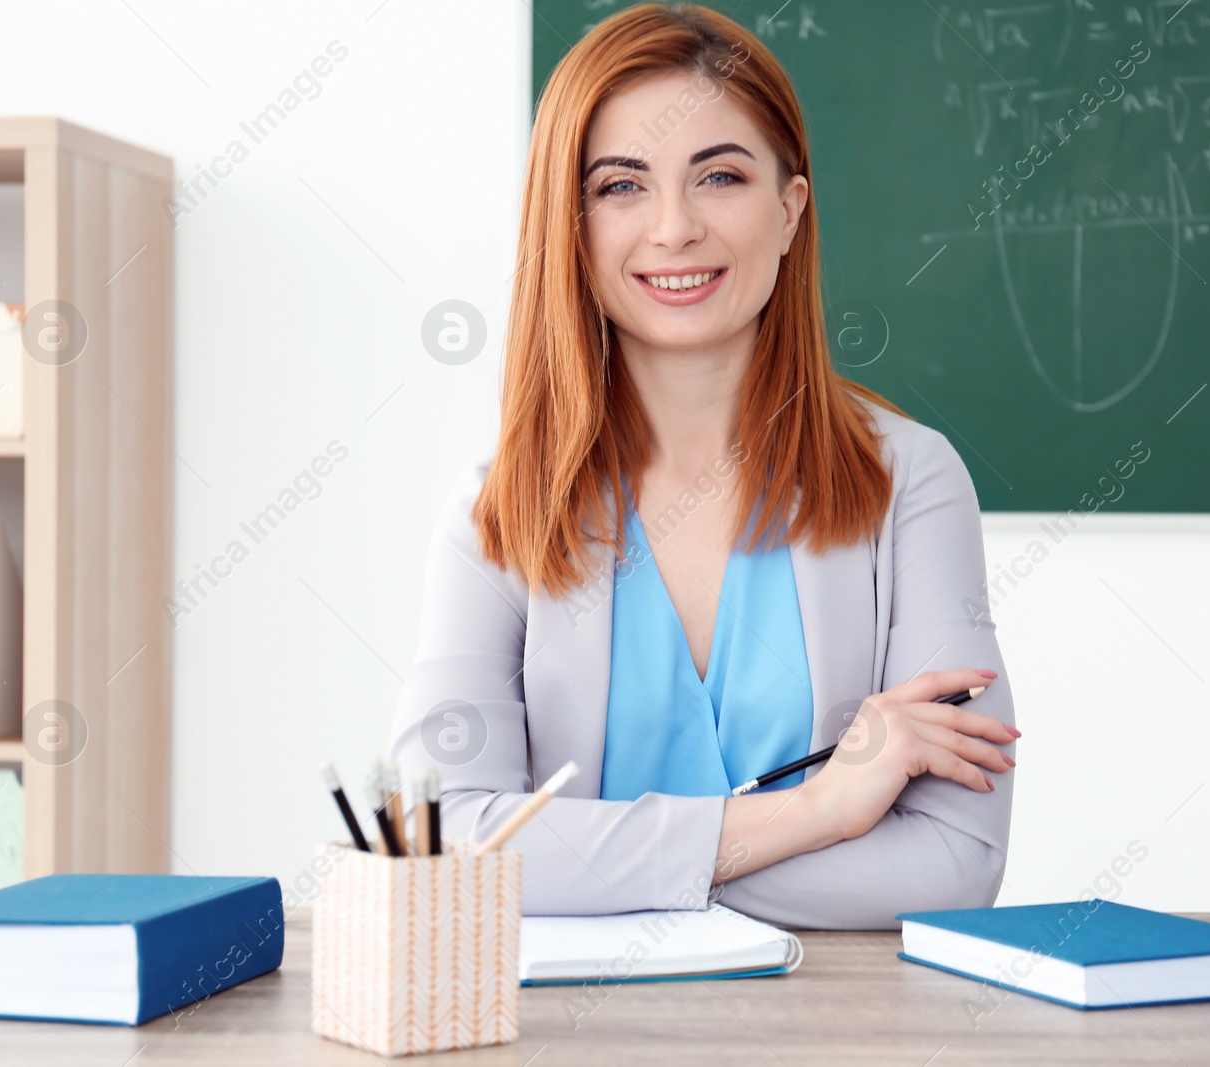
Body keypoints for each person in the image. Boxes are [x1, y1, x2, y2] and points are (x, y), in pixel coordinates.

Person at [389, 3, 1019, 930]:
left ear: (791, 209)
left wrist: (585, 862)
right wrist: (815, 813)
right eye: (620, 186)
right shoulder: (497, 508)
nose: (674, 227)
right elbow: (445, 843)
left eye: (719, 175)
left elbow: (955, 862)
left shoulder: (912, 482)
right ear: (571, 225)